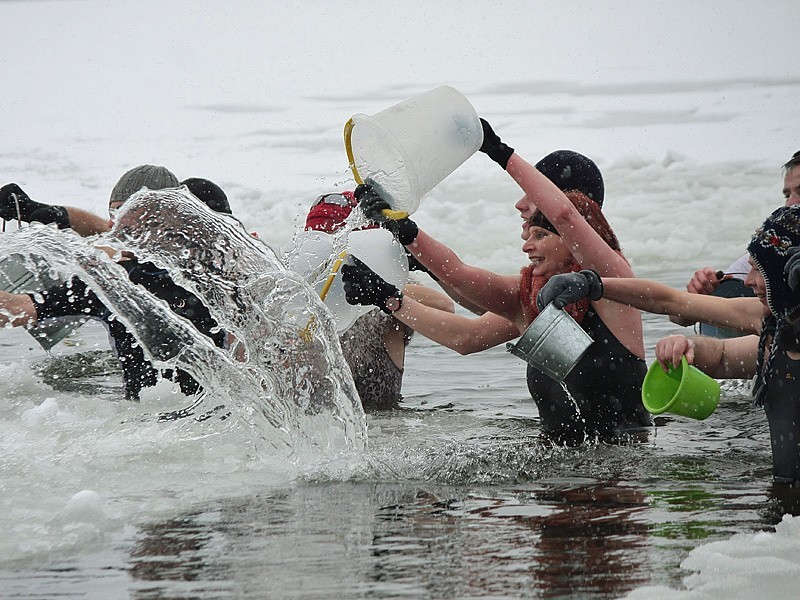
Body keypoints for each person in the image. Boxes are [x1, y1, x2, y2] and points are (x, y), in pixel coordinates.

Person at [342, 120, 652, 444]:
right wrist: (395, 267)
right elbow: (462, 304)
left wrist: (498, 151)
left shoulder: (613, 284)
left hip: (621, 474)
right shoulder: (530, 295)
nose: (526, 243)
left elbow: (565, 216)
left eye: (540, 233)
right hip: (560, 478)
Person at [537, 204, 800, 485]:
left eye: (760, 271)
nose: (748, 282)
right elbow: (676, 308)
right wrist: (594, 285)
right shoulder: (773, 329)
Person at [0, 166, 228, 400]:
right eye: (112, 213)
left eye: (124, 212)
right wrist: (42, 212)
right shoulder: (111, 280)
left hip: (212, 415)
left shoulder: (213, 267)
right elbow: (17, 308)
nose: (112, 224)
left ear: (164, 216)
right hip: (143, 418)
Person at [303, 191, 454, 410]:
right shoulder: (300, 302)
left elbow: (446, 309)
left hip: (384, 427)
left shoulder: (388, 303)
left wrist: (383, 288)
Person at [669, 150, 800, 334]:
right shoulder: (772, 250)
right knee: (731, 292)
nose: (790, 204)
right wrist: (700, 294)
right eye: (787, 195)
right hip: (772, 349)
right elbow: (679, 316)